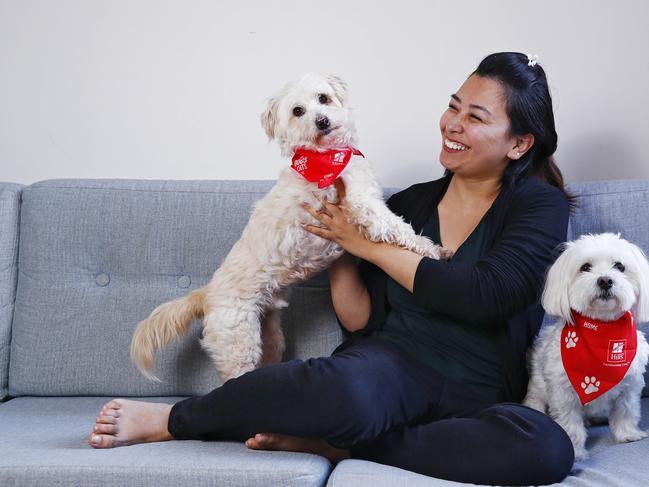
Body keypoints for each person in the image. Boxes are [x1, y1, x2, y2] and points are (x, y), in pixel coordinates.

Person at [87, 52, 576, 485]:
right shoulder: (406, 203)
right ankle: (174, 420)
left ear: (518, 144)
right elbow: (361, 319)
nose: (452, 124)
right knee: (339, 391)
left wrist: (364, 242)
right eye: (453, 106)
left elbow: (485, 295)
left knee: (544, 449)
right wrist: (339, 246)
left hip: (482, 389)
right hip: (390, 369)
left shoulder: (539, 206)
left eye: (475, 117)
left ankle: (341, 443)